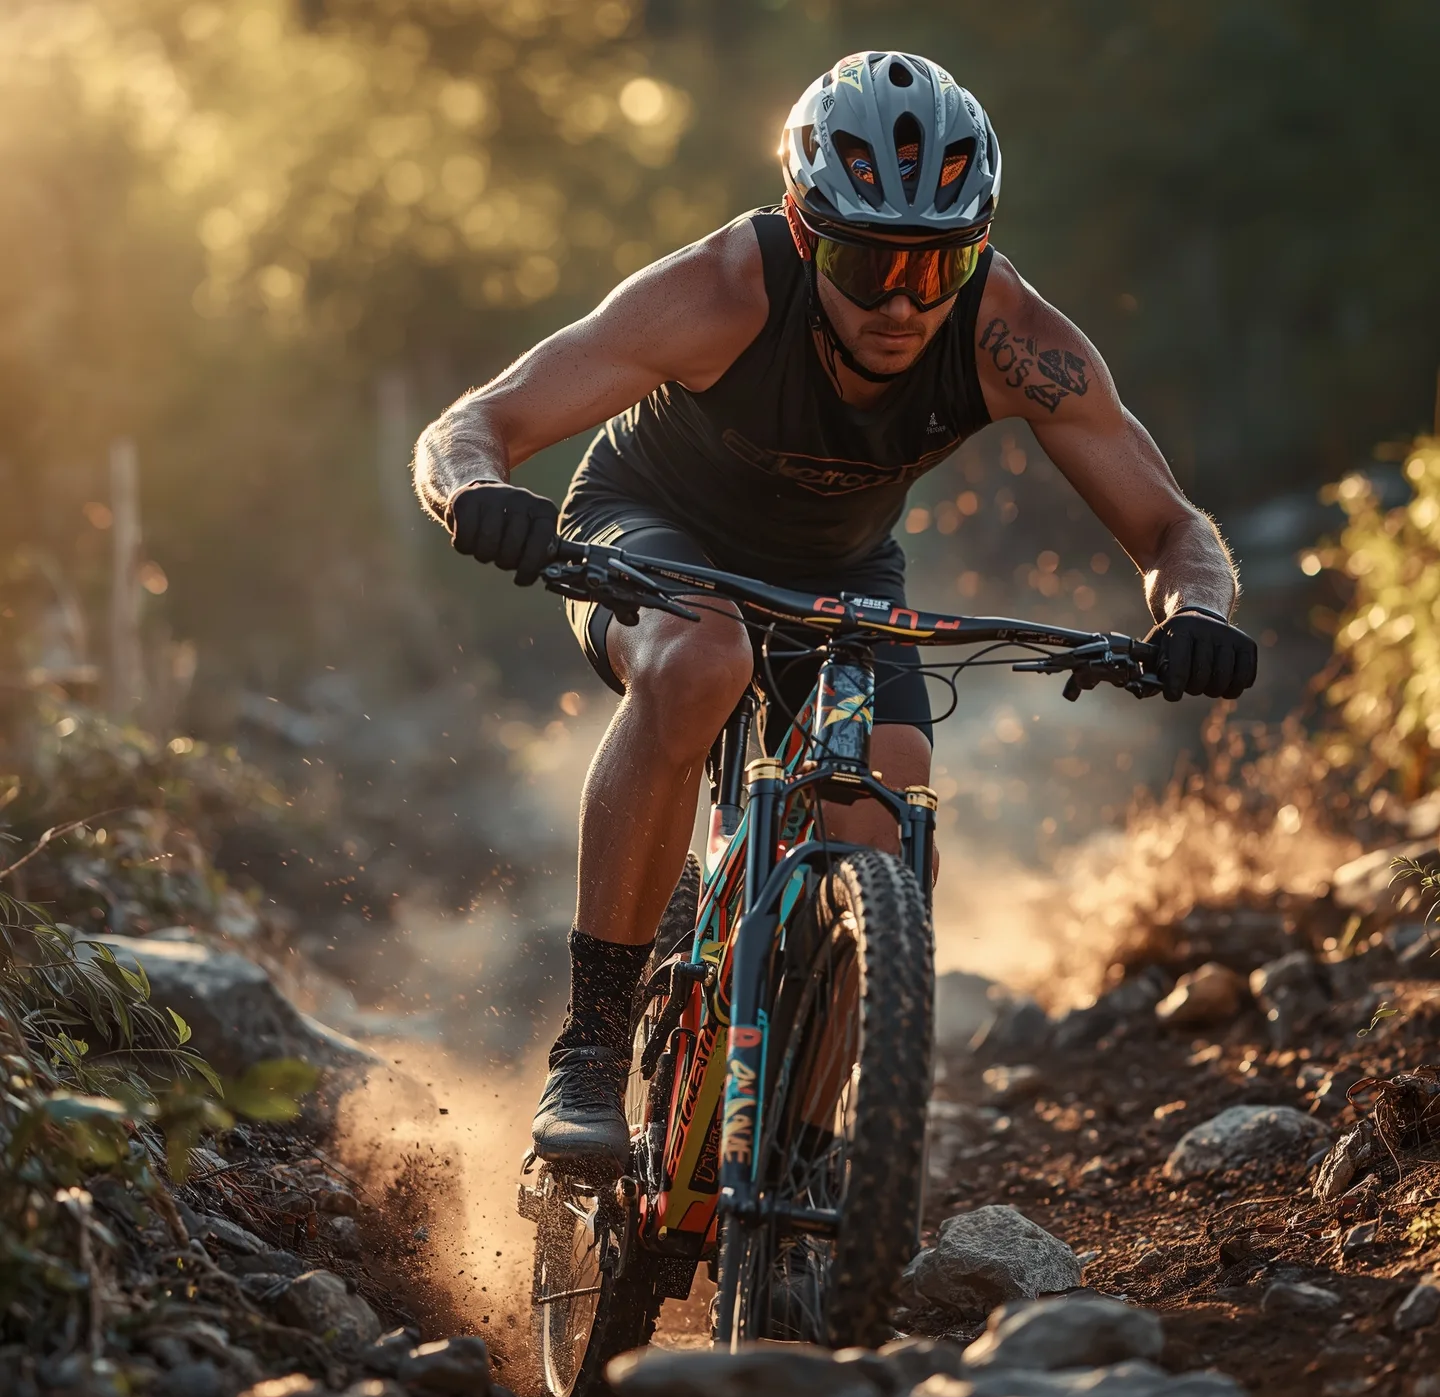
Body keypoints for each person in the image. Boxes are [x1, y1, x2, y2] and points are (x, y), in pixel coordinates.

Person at [412, 51, 1258, 1173]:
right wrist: (475, 495)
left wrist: (1194, 609)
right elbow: (474, 425)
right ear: (807, 235)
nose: (904, 300)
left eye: (940, 263)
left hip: (842, 573)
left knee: (888, 807)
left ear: (979, 248)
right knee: (702, 659)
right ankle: (592, 1047)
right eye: (867, 263)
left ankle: (800, 1153)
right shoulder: (720, 291)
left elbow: (1174, 530)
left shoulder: (1011, 335)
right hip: (655, 526)